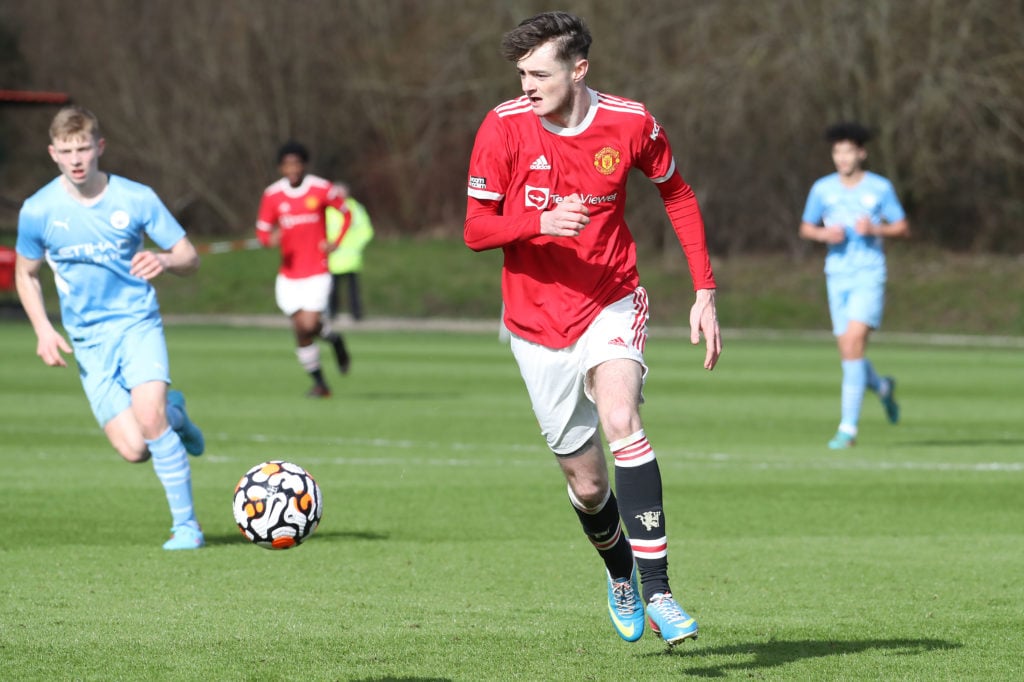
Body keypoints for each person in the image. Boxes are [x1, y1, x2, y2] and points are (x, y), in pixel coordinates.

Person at [464, 11, 721, 647]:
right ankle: (621, 575)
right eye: (521, 73)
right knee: (587, 483)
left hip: (612, 299)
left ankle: (659, 588)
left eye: (539, 73)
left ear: (579, 69)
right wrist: (538, 225)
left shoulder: (630, 122)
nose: (526, 85)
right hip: (533, 322)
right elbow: (475, 230)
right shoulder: (502, 128)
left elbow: (678, 195)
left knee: (622, 419)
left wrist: (705, 290)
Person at [14, 105, 207, 550]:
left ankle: (187, 528)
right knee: (135, 449)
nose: (77, 158)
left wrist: (163, 258)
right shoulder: (39, 210)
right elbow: (25, 274)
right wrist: (43, 330)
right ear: (53, 153)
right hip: (89, 342)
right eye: (67, 150)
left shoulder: (136, 198)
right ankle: (177, 413)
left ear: (100, 147)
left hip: (137, 324)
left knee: (149, 416)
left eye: (83, 147)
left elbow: (189, 257)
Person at [799, 122, 910, 449]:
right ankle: (883, 387)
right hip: (836, 275)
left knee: (854, 341)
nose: (842, 158)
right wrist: (824, 234)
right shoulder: (822, 188)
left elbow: (902, 227)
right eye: (837, 151)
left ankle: (847, 429)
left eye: (848, 151)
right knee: (849, 350)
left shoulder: (880, 188)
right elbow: (806, 227)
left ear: (861, 153)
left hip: (869, 274)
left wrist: (875, 229)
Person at [257, 141, 353, 397]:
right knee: (301, 329)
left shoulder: (321, 189)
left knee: (309, 324)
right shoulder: (273, 195)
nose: (293, 169)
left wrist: (336, 242)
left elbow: (346, 214)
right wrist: (269, 240)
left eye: (297, 163)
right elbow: (263, 231)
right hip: (288, 275)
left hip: (317, 270)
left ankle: (334, 341)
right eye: (288, 164)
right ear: (281, 168)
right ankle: (321, 382)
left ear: (304, 165)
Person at [325, 183, 374, 321]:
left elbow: (366, 230)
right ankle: (331, 312)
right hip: (333, 256)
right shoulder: (328, 209)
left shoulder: (356, 209)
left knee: (353, 288)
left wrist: (357, 246)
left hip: (351, 255)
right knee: (332, 288)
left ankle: (356, 314)